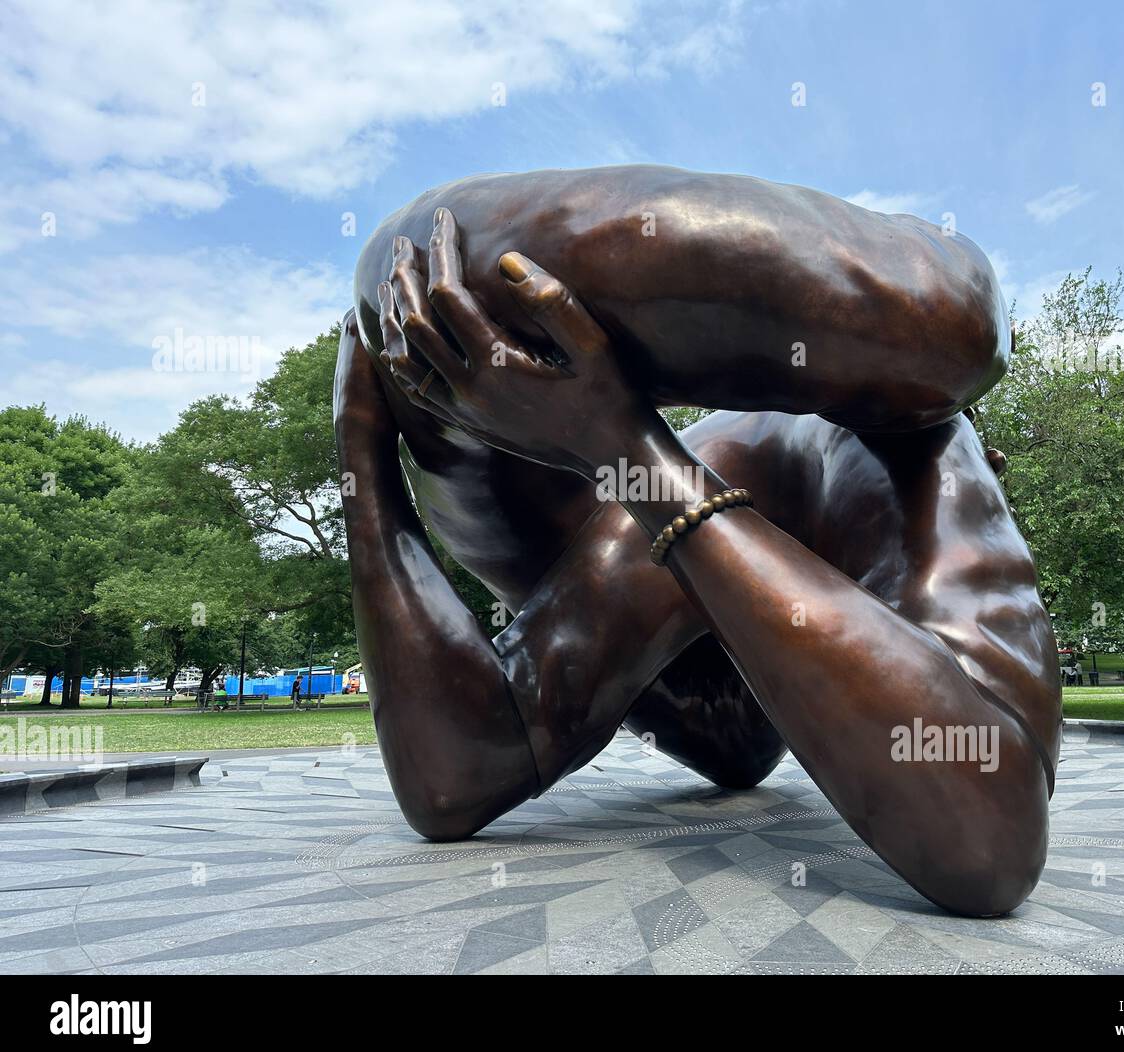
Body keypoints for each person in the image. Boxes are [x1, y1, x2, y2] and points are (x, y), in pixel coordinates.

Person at [334, 169, 1061, 917]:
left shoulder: (915, 455)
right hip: (707, 644)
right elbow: (451, 783)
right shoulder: (733, 461)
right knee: (946, 334)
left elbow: (990, 848)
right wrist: (364, 467)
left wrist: (623, 445)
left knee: (949, 329)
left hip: (724, 482)